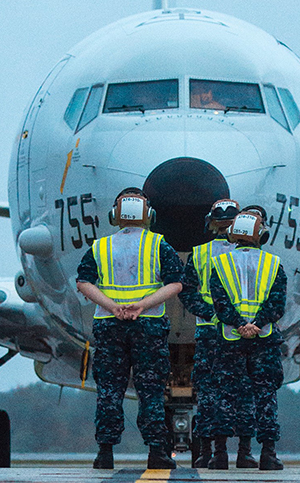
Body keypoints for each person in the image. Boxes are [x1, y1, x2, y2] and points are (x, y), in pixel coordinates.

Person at [76, 187, 184, 470]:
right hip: (148, 326)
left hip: (109, 325)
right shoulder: (158, 245)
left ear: (115, 215)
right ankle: (157, 451)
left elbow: (83, 282)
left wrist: (112, 306)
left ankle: (105, 453)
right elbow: (176, 283)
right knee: (151, 391)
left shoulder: (100, 247)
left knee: (109, 391)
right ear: (149, 215)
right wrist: (143, 305)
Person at [178, 199, 259, 469]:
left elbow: (187, 293)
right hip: (244, 333)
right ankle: (245, 452)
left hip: (209, 331)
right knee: (244, 391)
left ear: (210, 223)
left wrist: (212, 314)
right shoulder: (253, 254)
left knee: (208, 393)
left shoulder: (199, 253)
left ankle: (210, 452)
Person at [207, 205, 287, 471]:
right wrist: (257, 325)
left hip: (230, 339)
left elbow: (219, 305)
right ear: (260, 235)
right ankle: (267, 454)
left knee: (225, 395)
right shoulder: (273, 264)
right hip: (264, 340)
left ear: (232, 234)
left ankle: (220, 454)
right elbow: (277, 305)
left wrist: (240, 325)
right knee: (265, 396)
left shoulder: (220, 264)